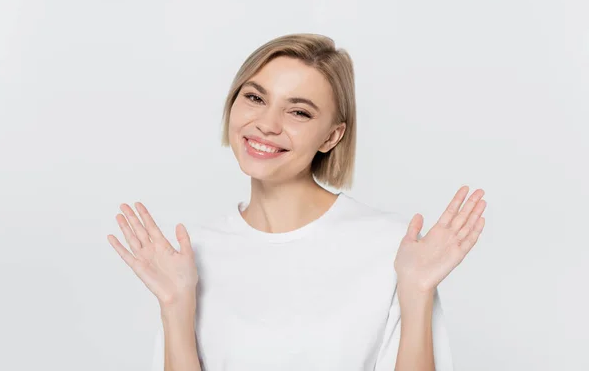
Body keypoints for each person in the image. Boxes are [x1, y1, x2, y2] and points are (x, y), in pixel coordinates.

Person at [107, 33, 487, 371]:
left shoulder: (394, 250)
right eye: (255, 97)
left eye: (299, 112)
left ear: (331, 137)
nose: (267, 124)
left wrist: (417, 292)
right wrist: (175, 305)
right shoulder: (192, 255)